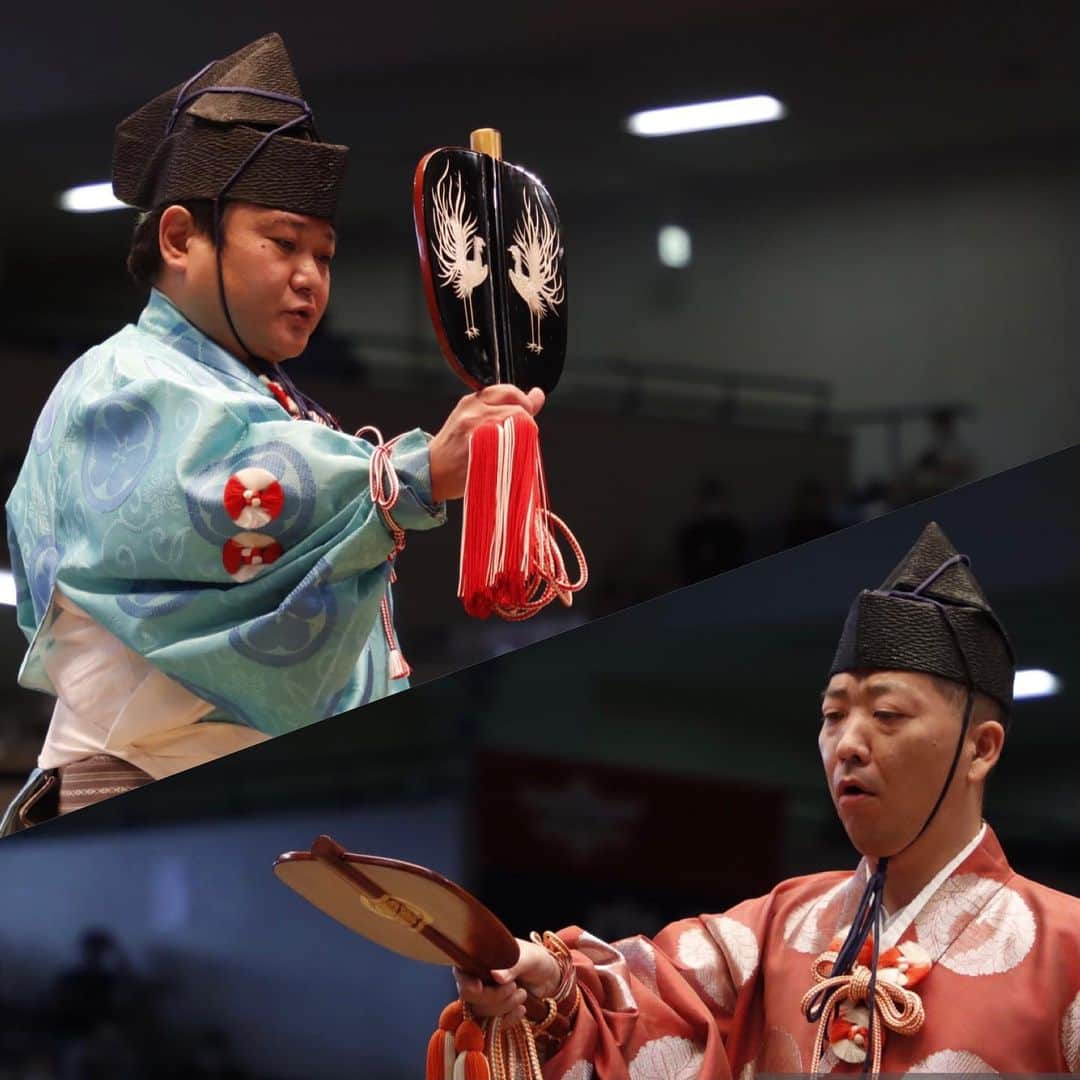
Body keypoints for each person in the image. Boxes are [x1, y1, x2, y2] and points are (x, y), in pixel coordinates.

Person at [1, 33, 543, 832]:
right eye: (283, 243)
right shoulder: (123, 381)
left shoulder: (267, 400)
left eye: (324, 255)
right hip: (130, 790)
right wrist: (414, 472)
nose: (310, 277)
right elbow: (226, 500)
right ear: (182, 238)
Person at [455, 522, 1080, 1075]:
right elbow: (636, 1010)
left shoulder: (1069, 949)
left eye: (887, 714)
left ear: (981, 749)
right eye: (833, 716)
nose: (848, 745)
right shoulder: (771, 930)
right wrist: (544, 984)